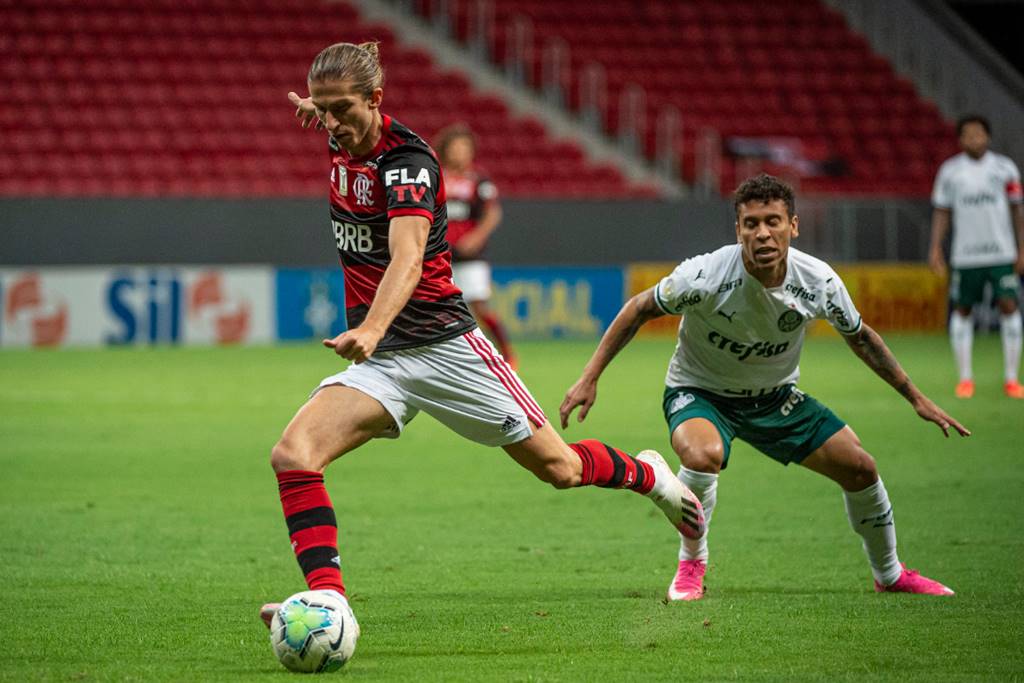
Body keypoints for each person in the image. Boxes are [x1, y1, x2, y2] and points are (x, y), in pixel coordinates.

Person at [259, 41, 706, 631]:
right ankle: (329, 602)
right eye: (323, 110)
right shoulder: (340, 132)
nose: (332, 122)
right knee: (294, 455)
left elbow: (409, 258)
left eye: (342, 109)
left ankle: (650, 476)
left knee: (561, 469)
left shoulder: (409, 163)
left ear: (376, 98)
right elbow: (330, 117)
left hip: (446, 348)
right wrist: (314, 109)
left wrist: (371, 325)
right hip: (384, 363)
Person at [561, 173, 969, 602]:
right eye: (751, 223)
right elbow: (639, 308)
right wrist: (590, 376)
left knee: (861, 468)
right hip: (700, 392)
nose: (762, 233)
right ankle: (691, 564)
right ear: (738, 229)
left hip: (776, 399)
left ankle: (890, 574)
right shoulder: (704, 275)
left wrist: (916, 397)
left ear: (793, 225)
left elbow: (861, 337)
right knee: (702, 455)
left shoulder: (818, 281)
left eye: (772, 221)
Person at [928, 114, 1024, 399]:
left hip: (1001, 253)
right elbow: (942, 211)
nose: (974, 139)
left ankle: (1011, 379)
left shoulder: (1005, 168)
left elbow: (1017, 210)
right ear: (960, 140)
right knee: (962, 310)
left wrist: (1022, 247)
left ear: (988, 136)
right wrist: (935, 247)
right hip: (965, 255)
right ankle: (965, 380)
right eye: (968, 134)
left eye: (979, 133)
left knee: (1009, 306)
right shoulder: (950, 171)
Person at [435, 123, 517, 369]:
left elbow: (492, 212)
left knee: (480, 306)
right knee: (438, 307)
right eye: (456, 147)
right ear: (446, 149)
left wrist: (476, 238)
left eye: (465, 147)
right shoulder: (436, 177)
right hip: (439, 254)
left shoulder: (479, 180)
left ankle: (507, 354)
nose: (460, 152)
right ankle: (445, 358)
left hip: (470, 256)